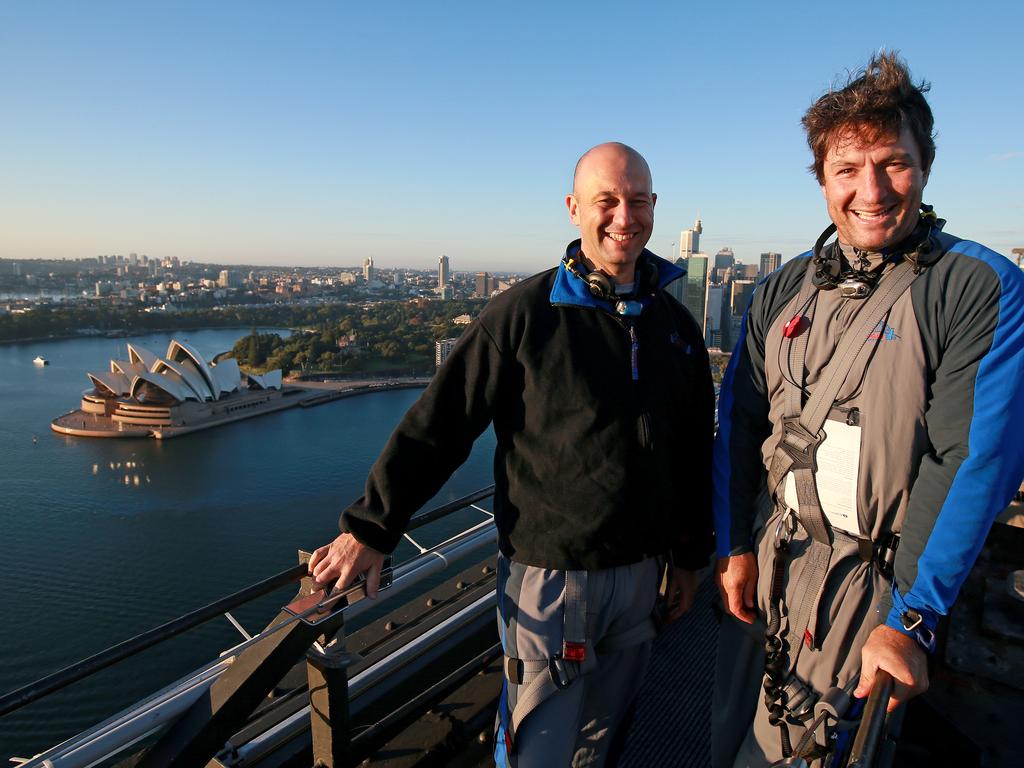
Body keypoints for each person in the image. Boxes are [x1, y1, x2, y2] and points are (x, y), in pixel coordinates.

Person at [309, 142, 715, 766]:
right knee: (538, 749)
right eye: (606, 201)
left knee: (606, 743)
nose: (623, 217)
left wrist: (688, 557)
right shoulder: (525, 315)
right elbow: (438, 427)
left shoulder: (674, 325)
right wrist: (371, 529)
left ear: (655, 207)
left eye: (637, 201)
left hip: (642, 576)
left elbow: (690, 450)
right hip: (551, 582)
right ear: (573, 209)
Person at [712, 52, 1024, 766]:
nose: (872, 190)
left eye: (894, 163)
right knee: (734, 727)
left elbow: (969, 461)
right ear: (822, 179)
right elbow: (741, 421)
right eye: (848, 170)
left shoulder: (975, 287)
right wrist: (733, 544)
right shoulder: (784, 287)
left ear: (927, 164)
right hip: (774, 553)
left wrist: (911, 617)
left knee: (814, 751)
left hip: (872, 582)